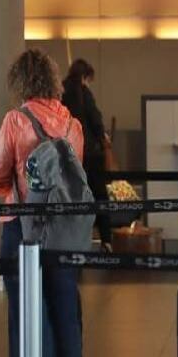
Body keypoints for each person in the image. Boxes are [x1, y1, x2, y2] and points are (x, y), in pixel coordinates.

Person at [0, 48, 85, 357]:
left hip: (22, 231)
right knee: (65, 315)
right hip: (63, 232)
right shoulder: (72, 124)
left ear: (19, 82)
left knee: (26, 320)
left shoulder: (16, 120)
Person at [61, 59, 112, 252]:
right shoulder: (84, 93)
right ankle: (106, 241)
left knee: (73, 200)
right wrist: (103, 136)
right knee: (99, 198)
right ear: (84, 77)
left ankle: (75, 244)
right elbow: (95, 120)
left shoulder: (61, 92)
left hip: (69, 156)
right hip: (91, 155)